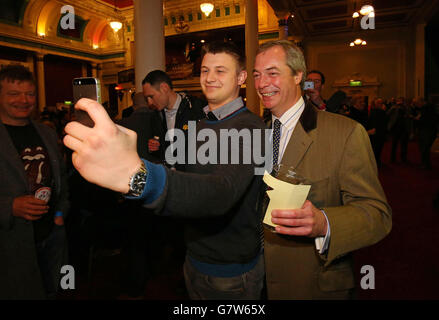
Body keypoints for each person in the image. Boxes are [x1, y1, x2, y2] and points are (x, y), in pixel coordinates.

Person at [63, 41, 266, 300]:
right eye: (205, 70)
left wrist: (138, 175)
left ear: (241, 77)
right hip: (194, 256)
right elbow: (182, 173)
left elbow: (221, 192)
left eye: (220, 71)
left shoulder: (252, 127)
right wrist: (130, 157)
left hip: (230, 269)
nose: (210, 78)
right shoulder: (201, 124)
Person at [252, 40, 392, 299]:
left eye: (272, 73)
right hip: (255, 281)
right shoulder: (254, 132)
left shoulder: (346, 133)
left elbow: (377, 215)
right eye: (257, 75)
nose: (261, 84)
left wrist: (324, 223)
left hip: (311, 285)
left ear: (298, 76)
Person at [0, 64, 69, 299]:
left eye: (29, 94)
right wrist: (9, 206)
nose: (23, 100)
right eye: (13, 94)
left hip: (52, 236)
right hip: (11, 243)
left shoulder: (47, 133)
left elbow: (62, 178)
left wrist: (60, 214)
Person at [142, 69, 206, 171]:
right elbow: (162, 152)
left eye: (151, 96)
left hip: (191, 178)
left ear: (164, 88)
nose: (149, 103)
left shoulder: (195, 109)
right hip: (170, 178)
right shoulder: (156, 116)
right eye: (147, 99)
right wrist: (156, 148)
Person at [414, 97, 438, 170]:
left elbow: (425, 120)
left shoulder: (426, 109)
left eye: (416, 103)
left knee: (424, 148)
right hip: (428, 130)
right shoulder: (428, 108)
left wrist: (417, 119)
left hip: (427, 131)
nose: (416, 105)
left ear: (421, 102)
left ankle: (425, 165)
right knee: (424, 148)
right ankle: (425, 164)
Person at [387, 97, 411, 163]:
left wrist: (405, 108)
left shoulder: (406, 107)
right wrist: (395, 107)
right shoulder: (394, 107)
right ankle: (393, 159)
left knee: (404, 145)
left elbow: (409, 115)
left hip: (404, 128)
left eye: (401, 101)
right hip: (396, 128)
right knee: (394, 144)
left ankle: (404, 159)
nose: (400, 102)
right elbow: (388, 114)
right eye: (398, 101)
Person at [367, 97, 388, 168]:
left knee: (378, 150)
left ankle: (377, 162)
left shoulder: (378, 111)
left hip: (379, 133)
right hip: (376, 134)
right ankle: (375, 164)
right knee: (375, 150)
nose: (380, 104)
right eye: (379, 103)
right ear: (375, 104)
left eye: (381, 103)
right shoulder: (376, 111)